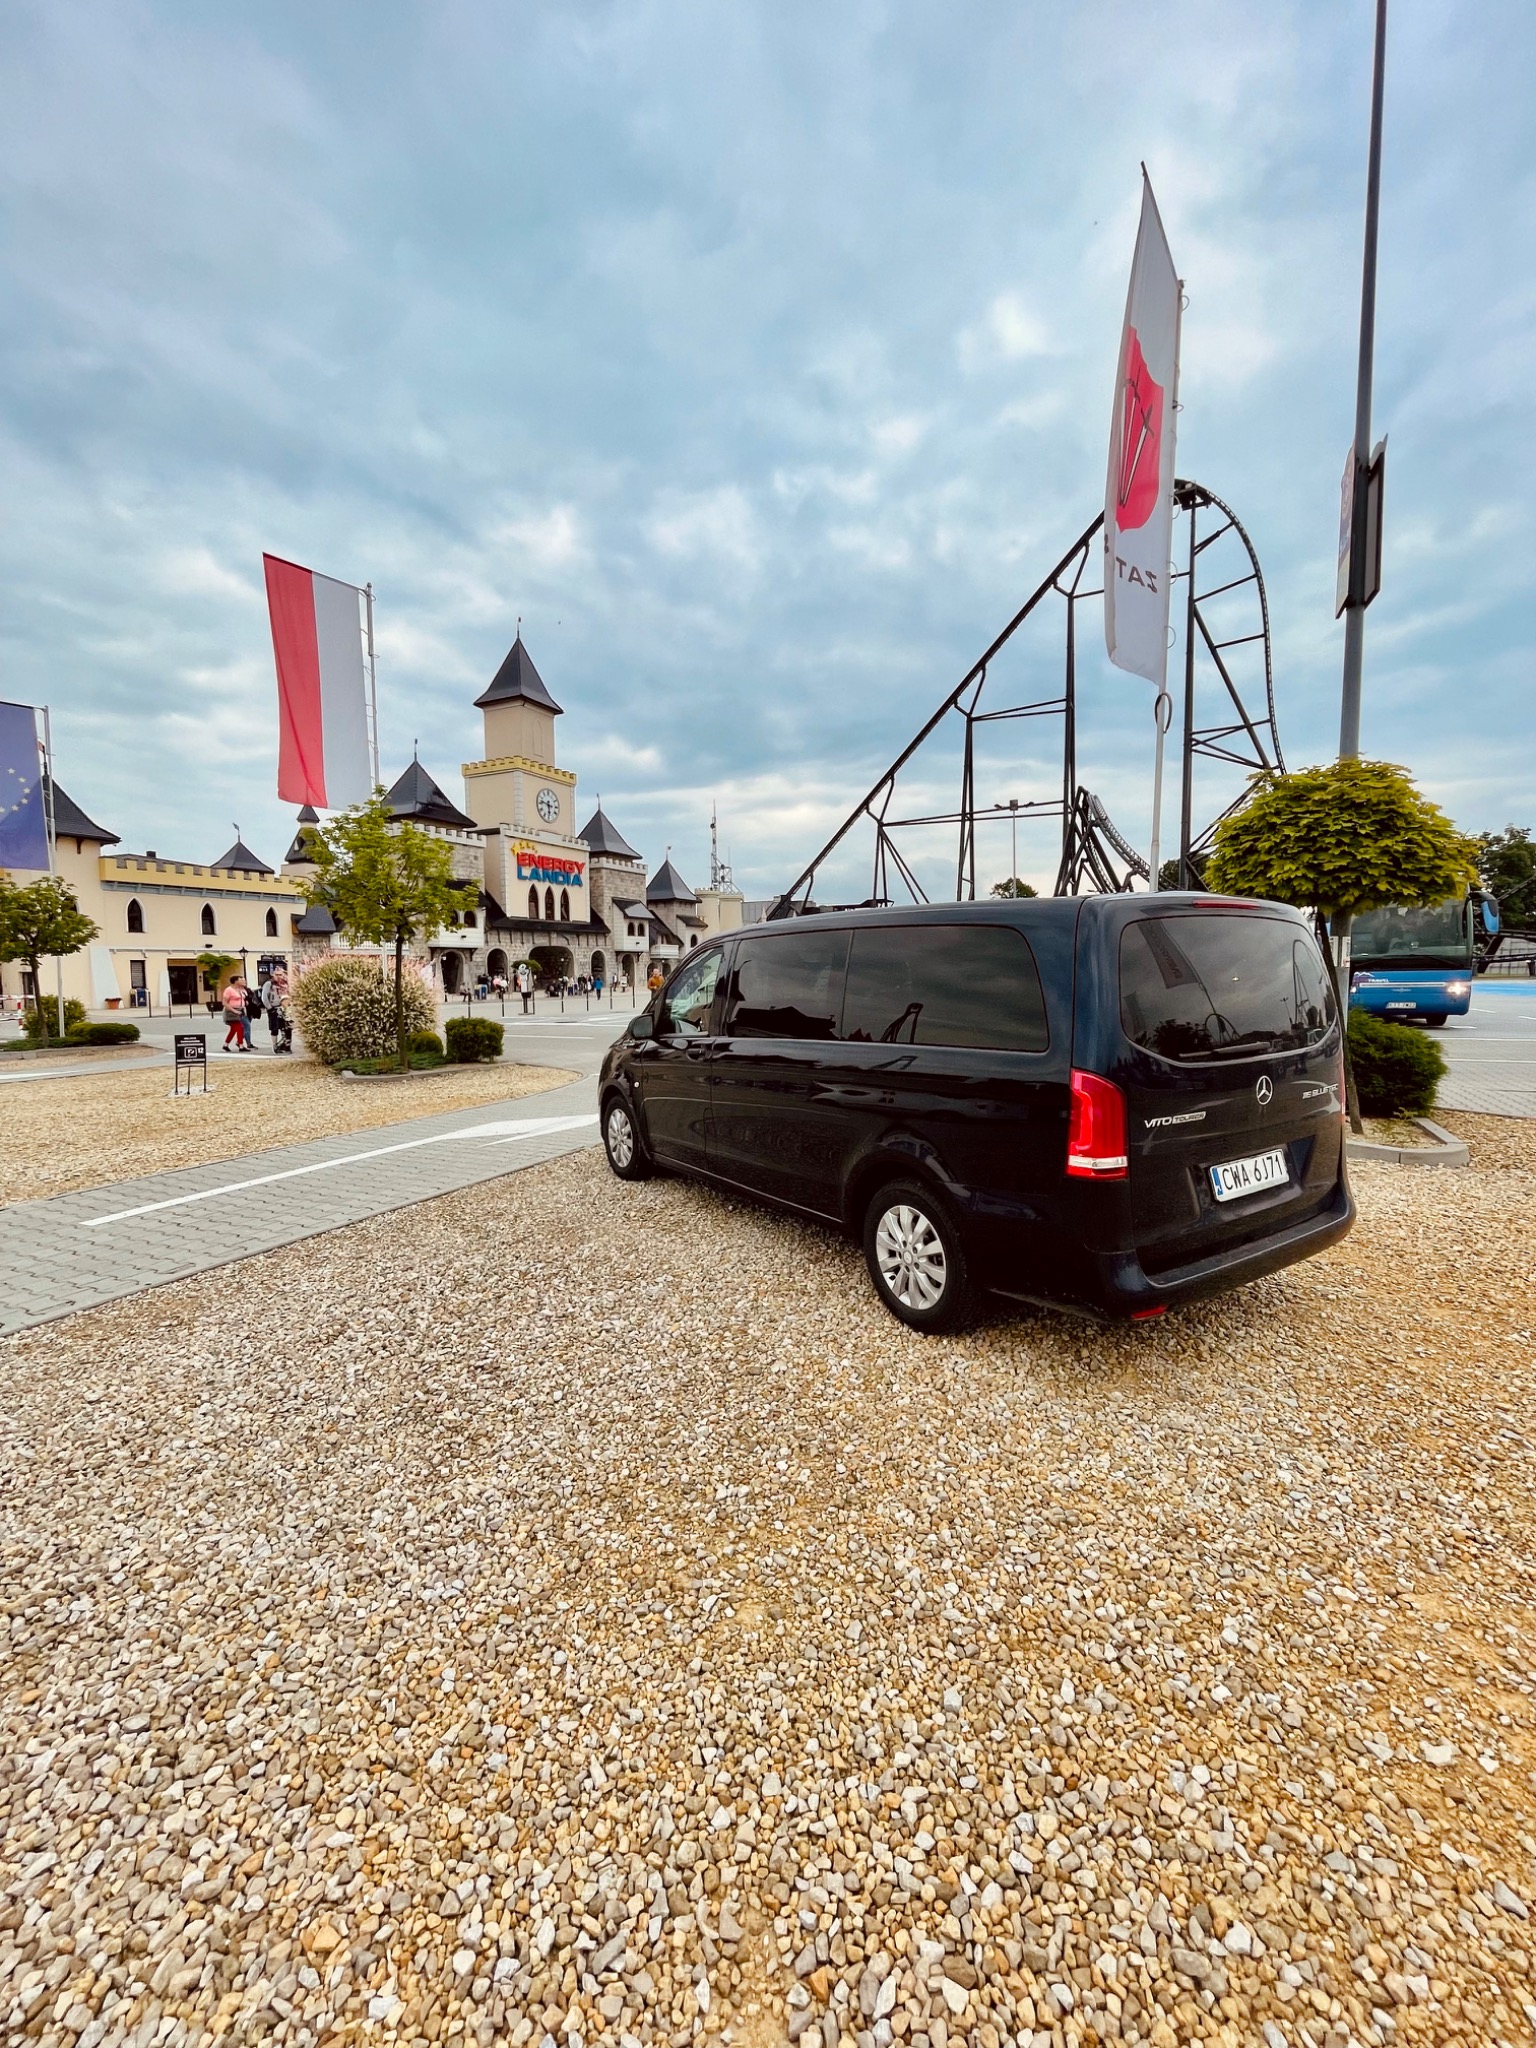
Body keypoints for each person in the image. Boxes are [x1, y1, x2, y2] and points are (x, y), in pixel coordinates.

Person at [221, 977, 250, 1051]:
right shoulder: (229, 990)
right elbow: (225, 1003)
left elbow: (242, 997)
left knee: (234, 1029)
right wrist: (234, 1011)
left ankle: (226, 1044)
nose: (243, 981)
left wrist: (244, 1003)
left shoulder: (240, 989)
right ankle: (241, 1045)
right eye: (241, 980)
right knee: (240, 1027)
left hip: (240, 1010)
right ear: (235, 981)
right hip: (231, 1011)